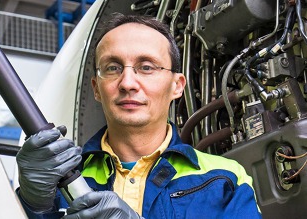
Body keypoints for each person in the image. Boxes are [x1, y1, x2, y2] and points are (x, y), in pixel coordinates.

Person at [16, 13, 262, 219]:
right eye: (113, 68)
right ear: (96, 88)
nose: (128, 83)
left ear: (177, 86)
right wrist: (31, 205)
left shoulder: (225, 179)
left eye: (146, 67)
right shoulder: (55, 178)